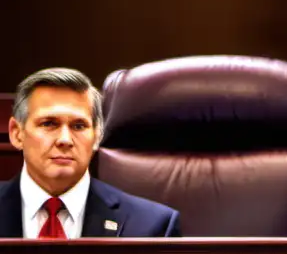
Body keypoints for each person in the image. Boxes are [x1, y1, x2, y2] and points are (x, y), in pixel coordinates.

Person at [0, 68, 180, 238]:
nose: (65, 140)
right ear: (17, 133)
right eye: (48, 124)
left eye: (79, 126)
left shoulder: (152, 225)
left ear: (97, 137)